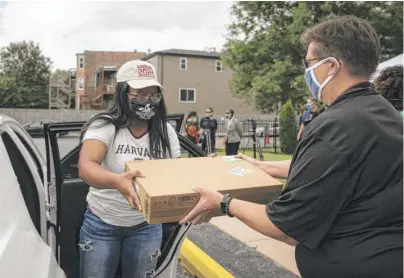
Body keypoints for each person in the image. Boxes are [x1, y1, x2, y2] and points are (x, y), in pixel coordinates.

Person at [180, 15, 403, 278]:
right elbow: (344, 167)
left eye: (308, 62)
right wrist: (263, 166)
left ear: (331, 66)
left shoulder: (333, 126)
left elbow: (286, 227)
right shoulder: (384, 114)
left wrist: (224, 203)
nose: (306, 70)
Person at [78, 60, 181, 278]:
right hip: (102, 222)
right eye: (140, 93)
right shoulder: (104, 126)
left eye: (153, 95)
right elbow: (86, 167)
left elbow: (176, 172)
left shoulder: (165, 132)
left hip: (146, 224)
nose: (147, 101)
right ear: (123, 92)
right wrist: (117, 181)